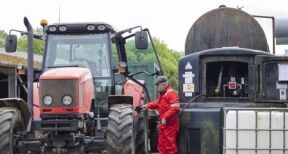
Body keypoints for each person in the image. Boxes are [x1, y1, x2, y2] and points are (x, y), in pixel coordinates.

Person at [142, 76, 180, 154]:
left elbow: (176, 107)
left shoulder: (170, 93)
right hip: (164, 125)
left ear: (163, 84)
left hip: (170, 125)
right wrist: (147, 105)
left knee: (169, 147)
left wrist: (165, 117)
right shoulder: (163, 94)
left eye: (157, 85)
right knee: (161, 145)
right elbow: (157, 103)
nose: (157, 87)